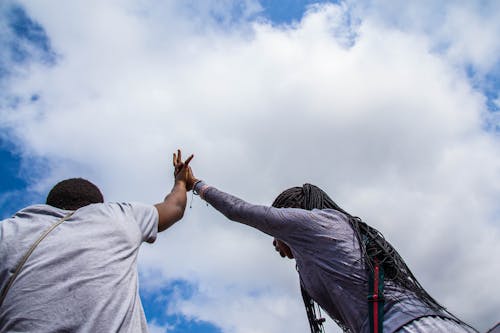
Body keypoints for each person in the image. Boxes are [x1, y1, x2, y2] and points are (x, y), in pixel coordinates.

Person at [188, 170, 477, 333]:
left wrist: (195, 185)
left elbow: (239, 210)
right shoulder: (332, 236)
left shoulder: (312, 224)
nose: (274, 243)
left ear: (288, 217)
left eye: (276, 233)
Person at [0, 150, 194, 332]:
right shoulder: (120, 216)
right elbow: (175, 207)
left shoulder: (8, 231)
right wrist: (180, 182)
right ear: (96, 206)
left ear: (50, 205)